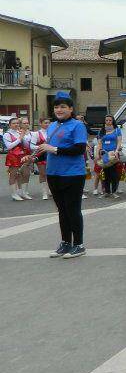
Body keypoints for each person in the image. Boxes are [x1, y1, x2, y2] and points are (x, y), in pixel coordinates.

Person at [38, 92, 89, 258]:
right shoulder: (52, 126)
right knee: (62, 210)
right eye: (56, 107)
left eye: (63, 107)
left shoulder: (77, 125)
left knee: (73, 209)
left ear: (71, 109)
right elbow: (48, 150)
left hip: (72, 174)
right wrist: (34, 156)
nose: (59, 110)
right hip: (54, 173)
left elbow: (79, 149)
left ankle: (79, 244)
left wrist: (54, 149)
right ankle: (66, 242)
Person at [96, 115, 124, 198]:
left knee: (114, 173)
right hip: (104, 153)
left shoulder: (116, 130)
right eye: (106, 120)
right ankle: (107, 191)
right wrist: (98, 153)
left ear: (113, 121)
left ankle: (114, 191)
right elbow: (99, 143)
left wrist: (116, 151)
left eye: (110, 120)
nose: (108, 122)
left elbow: (119, 141)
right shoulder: (102, 130)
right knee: (105, 172)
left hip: (113, 153)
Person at [4, 118, 30, 201]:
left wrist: (24, 137)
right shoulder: (7, 134)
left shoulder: (20, 132)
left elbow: (26, 144)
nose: (16, 125)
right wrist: (20, 138)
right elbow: (9, 146)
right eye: (13, 123)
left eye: (17, 123)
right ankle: (14, 194)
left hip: (23, 155)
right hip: (13, 156)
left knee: (26, 174)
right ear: (10, 125)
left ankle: (23, 192)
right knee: (14, 175)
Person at [31, 118, 51, 200]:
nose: (47, 124)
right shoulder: (36, 134)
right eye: (45, 123)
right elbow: (31, 146)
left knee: (51, 173)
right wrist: (42, 147)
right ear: (40, 123)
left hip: (51, 154)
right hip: (41, 154)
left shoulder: (52, 132)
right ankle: (44, 192)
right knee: (43, 173)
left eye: (49, 123)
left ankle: (50, 190)